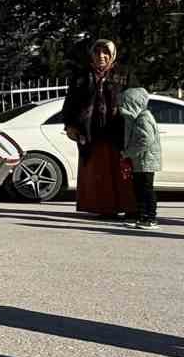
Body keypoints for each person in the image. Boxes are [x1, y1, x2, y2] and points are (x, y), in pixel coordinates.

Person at [61, 39, 134, 218]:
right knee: (98, 170)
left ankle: (130, 207)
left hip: (118, 131)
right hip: (91, 132)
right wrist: (70, 125)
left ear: (112, 55)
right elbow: (70, 102)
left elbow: (135, 99)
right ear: (91, 55)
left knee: (122, 170)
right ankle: (105, 208)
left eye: (105, 53)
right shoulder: (82, 75)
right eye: (97, 52)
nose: (101, 56)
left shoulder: (123, 74)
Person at [119, 87, 161, 229]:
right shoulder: (138, 117)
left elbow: (146, 140)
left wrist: (128, 153)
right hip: (140, 161)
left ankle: (151, 217)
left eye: (125, 103)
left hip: (146, 160)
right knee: (139, 189)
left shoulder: (144, 118)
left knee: (146, 189)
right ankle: (142, 216)